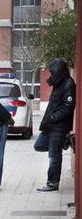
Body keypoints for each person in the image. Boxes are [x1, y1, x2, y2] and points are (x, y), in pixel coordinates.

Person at [35, 58, 76, 192]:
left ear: (58, 71)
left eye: (52, 72)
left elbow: (68, 106)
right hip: (50, 126)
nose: (50, 75)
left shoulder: (68, 84)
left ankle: (52, 183)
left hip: (58, 126)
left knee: (54, 155)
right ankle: (64, 142)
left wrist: (53, 117)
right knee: (39, 145)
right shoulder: (59, 83)